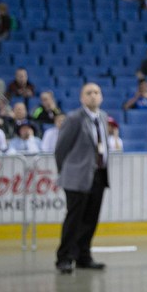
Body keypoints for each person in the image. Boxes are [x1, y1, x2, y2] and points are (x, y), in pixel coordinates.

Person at [54, 83, 111, 274]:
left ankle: (83, 256)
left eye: (97, 92)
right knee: (74, 219)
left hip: (98, 175)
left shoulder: (103, 117)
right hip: (76, 176)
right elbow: (61, 149)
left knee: (90, 219)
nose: (93, 96)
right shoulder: (74, 119)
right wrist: (66, 170)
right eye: (89, 93)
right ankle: (64, 257)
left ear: (101, 96)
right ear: (82, 98)